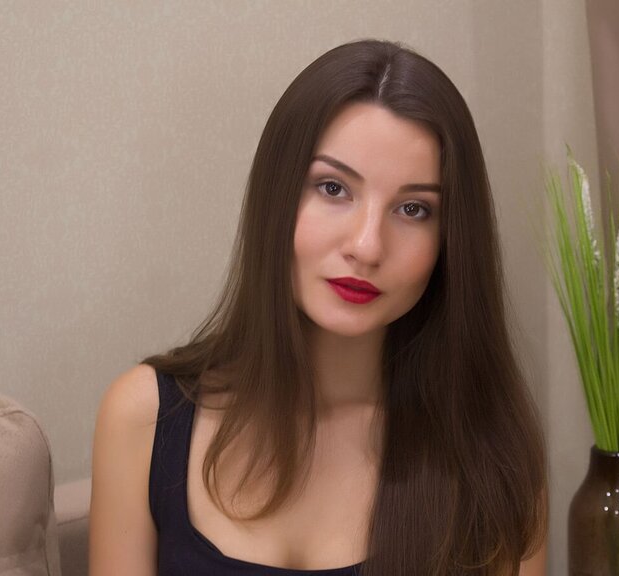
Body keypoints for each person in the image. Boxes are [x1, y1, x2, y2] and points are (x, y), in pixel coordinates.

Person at [89, 39, 547, 576]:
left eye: (413, 209)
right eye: (333, 188)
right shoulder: (145, 418)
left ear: (451, 241)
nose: (367, 246)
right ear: (277, 196)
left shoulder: (492, 452)